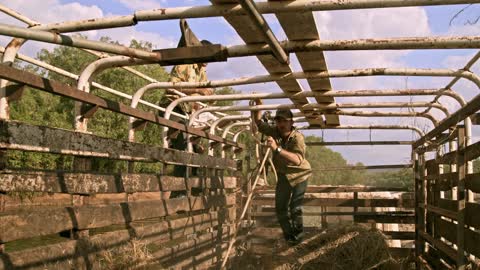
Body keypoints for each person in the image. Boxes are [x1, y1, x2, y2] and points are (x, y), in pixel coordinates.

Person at [252, 100, 312, 245]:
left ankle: (298, 239)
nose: (281, 124)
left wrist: (276, 149)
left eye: (284, 121)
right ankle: (289, 239)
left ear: (291, 122)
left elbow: (297, 160)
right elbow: (258, 123)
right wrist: (257, 106)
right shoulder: (275, 131)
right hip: (284, 175)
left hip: (300, 175)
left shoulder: (298, 138)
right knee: (280, 208)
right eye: (278, 121)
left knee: (295, 207)